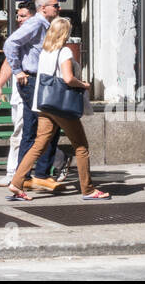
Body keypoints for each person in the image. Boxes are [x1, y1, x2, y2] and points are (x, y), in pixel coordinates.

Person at [7, 17, 109, 201]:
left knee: (38, 145)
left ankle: (16, 182)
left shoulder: (45, 52)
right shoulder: (65, 52)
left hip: (45, 104)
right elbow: (68, 79)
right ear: (65, 33)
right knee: (81, 147)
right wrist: (84, 85)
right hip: (61, 106)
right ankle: (88, 189)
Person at [2, 0, 62, 190]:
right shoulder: (35, 23)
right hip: (32, 80)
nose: (58, 8)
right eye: (55, 5)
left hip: (37, 80)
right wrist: (18, 71)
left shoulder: (45, 25)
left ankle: (24, 176)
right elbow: (10, 43)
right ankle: (41, 174)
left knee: (31, 128)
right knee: (49, 126)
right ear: (43, 8)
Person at [0, 1, 34, 186]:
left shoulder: (38, 35)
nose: (19, 19)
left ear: (33, 16)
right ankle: (59, 159)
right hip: (19, 90)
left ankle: (13, 172)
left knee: (21, 132)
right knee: (26, 132)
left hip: (32, 88)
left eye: (23, 15)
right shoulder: (17, 36)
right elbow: (9, 61)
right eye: (18, 15)